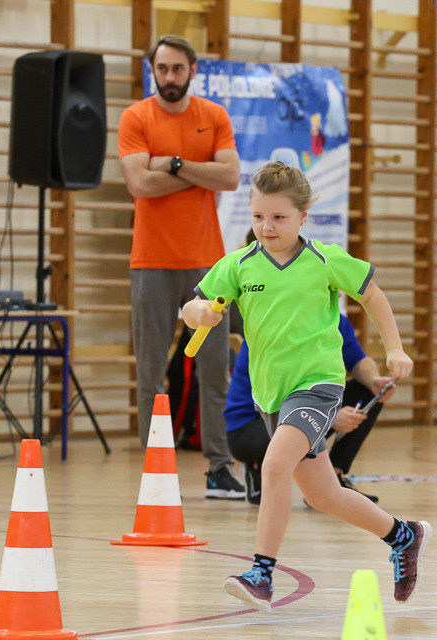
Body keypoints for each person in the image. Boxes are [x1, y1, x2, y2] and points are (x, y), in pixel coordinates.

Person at [184, 161, 429, 610]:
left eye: (278, 217)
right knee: (323, 494)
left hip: (318, 385)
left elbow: (371, 293)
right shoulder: (238, 265)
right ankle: (403, 534)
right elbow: (194, 305)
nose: (267, 226)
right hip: (270, 395)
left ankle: (261, 574)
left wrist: (393, 348)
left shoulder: (323, 259)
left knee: (274, 465)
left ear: (302, 216)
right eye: (258, 216)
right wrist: (196, 313)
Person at [118, 35, 244, 499]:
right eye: (161, 68)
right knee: (150, 372)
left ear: (193, 68)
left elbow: (230, 176)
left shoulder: (213, 116)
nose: (168, 76)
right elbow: (139, 184)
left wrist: (171, 164)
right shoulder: (136, 117)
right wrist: (198, 172)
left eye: (176, 68)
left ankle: (219, 466)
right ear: (153, 70)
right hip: (150, 261)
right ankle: (159, 472)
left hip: (208, 267)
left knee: (215, 370)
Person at [226, 313, 396, 505]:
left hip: (301, 409)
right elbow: (278, 391)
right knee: (312, 412)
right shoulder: (280, 322)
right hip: (250, 426)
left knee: (367, 390)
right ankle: (257, 464)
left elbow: (358, 361)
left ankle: (334, 476)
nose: (339, 293)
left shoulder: (334, 318)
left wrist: (374, 381)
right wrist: (330, 418)